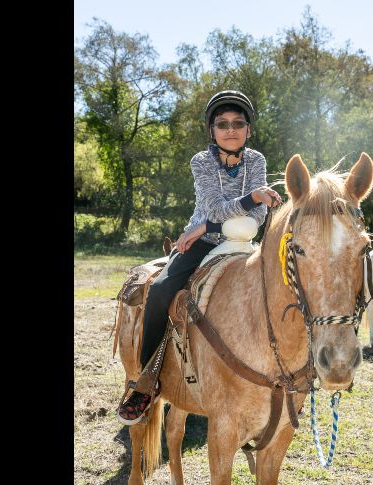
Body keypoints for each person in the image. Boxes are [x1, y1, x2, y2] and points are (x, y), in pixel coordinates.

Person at [117, 90, 282, 425]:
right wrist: (247, 200)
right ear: (212, 131)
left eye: (238, 123)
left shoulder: (258, 161)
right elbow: (217, 207)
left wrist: (235, 213)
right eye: (222, 124)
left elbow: (262, 215)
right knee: (162, 289)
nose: (231, 129)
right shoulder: (201, 161)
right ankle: (146, 382)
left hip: (244, 240)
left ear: (248, 130)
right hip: (202, 242)